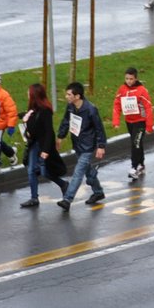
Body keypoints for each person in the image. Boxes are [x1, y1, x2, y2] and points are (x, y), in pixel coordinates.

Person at [55, 81, 106, 211]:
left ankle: (67, 199)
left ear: (77, 96)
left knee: (78, 172)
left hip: (88, 147)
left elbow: (99, 128)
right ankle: (98, 192)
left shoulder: (90, 109)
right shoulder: (71, 106)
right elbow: (66, 121)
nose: (66, 97)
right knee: (88, 170)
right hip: (77, 144)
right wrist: (60, 137)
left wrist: (101, 146)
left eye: (69, 94)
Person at [19, 82, 67, 208]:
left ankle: (63, 184)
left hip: (43, 145)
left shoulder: (45, 111)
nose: (27, 94)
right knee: (31, 170)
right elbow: (32, 121)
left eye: (29, 92)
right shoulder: (32, 110)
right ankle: (34, 198)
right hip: (34, 144)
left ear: (35, 95)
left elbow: (48, 132)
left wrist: (45, 150)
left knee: (44, 171)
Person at [112, 67, 154, 181]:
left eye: (131, 79)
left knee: (135, 143)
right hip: (129, 122)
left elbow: (148, 108)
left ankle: (134, 167)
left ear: (136, 78)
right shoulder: (122, 89)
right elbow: (116, 105)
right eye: (127, 79)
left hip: (140, 122)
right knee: (137, 143)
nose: (129, 81)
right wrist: (116, 121)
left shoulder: (142, 91)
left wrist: (149, 126)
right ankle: (141, 163)